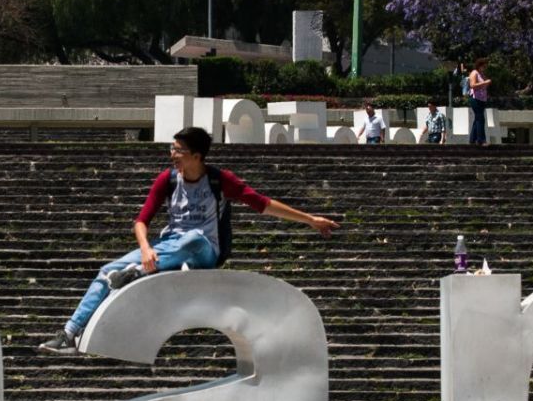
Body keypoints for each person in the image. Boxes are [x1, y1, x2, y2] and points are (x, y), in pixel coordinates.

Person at [38, 126, 340, 353]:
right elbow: (141, 221)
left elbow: (262, 203)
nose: (173, 156)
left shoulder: (219, 180)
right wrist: (145, 250)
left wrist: (311, 220)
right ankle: (69, 333)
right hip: (167, 248)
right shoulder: (168, 180)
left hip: (204, 250)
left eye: (178, 150)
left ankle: (133, 276)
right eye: (172, 149)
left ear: (197, 155)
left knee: (192, 238)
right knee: (106, 270)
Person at [466, 60, 492, 146]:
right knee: (481, 118)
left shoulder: (481, 74)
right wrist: (485, 82)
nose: (484, 68)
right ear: (479, 65)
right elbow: (472, 85)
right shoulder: (474, 73)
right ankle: (481, 140)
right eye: (483, 66)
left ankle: (472, 139)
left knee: (477, 118)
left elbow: (483, 86)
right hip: (475, 98)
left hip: (482, 99)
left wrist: (486, 83)